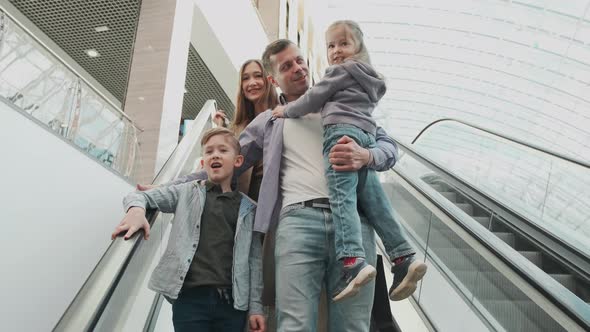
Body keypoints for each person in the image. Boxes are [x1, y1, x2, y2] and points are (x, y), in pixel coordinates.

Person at [165, 39, 399, 331]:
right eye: (287, 66)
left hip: (353, 225)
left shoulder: (344, 102)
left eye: (300, 60)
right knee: (295, 326)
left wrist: (366, 155)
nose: (298, 68)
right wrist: (159, 191)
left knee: (353, 325)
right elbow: (228, 162)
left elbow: (389, 149)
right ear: (274, 80)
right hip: (298, 224)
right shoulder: (270, 121)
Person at [272, 20, 427, 302]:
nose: (336, 51)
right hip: (359, 135)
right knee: (377, 200)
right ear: (275, 78)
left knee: (342, 197)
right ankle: (403, 256)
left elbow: (313, 99)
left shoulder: (335, 80)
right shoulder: (363, 81)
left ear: (358, 48)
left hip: (343, 138)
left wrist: (366, 156)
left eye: (343, 44)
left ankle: (351, 261)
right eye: (331, 46)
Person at [111, 128, 266, 332]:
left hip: (232, 305)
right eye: (209, 152)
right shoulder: (186, 192)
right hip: (190, 300)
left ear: (238, 161)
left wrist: (256, 307)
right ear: (203, 163)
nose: (215, 155)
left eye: (222, 150)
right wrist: (137, 211)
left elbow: (254, 261)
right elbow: (139, 195)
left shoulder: (249, 209)